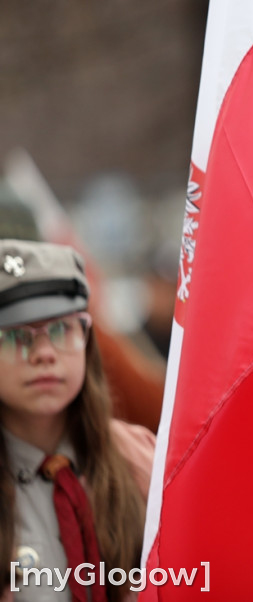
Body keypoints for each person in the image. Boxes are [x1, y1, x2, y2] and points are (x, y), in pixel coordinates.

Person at [1, 239, 155, 601]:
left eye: (60, 330)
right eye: (16, 336)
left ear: (86, 339)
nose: (43, 354)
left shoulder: (141, 459)